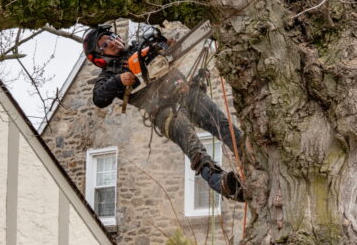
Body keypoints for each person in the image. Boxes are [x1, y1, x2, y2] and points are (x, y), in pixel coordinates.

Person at [83, 25, 246, 201]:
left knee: (221, 123)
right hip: (162, 111)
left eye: (111, 37)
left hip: (186, 93)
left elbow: (168, 50)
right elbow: (98, 98)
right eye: (104, 44)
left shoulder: (140, 48)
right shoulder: (109, 74)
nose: (112, 43)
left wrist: (168, 46)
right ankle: (220, 182)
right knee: (192, 143)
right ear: (99, 57)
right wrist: (118, 80)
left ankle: (248, 156)